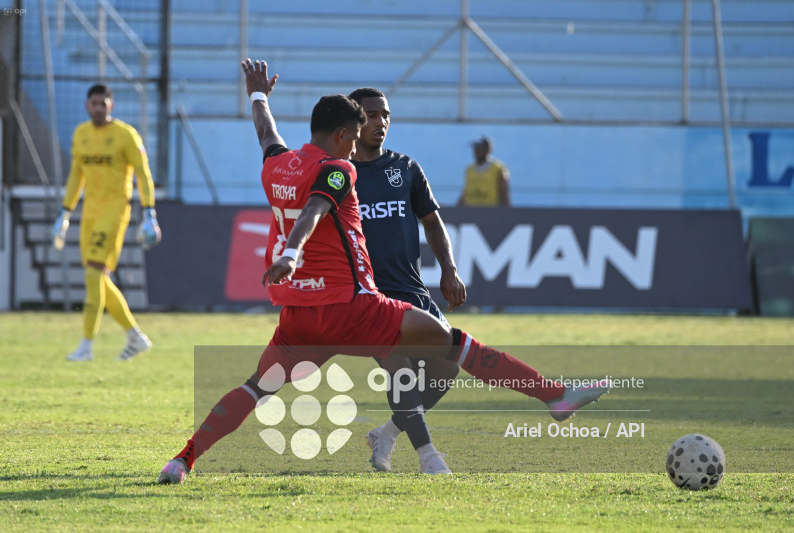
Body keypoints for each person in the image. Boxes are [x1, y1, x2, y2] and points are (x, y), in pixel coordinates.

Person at [156, 59, 609, 484]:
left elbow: (266, 133)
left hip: (300, 317)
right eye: (353, 136)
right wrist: (292, 252)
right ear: (339, 134)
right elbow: (316, 209)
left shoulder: (278, 164)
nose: (357, 146)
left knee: (256, 389)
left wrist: (258, 97)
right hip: (356, 309)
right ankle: (554, 396)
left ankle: (183, 460)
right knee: (455, 343)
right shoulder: (338, 170)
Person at [348, 87, 464, 474]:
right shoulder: (339, 174)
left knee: (447, 367)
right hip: (368, 297)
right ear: (353, 120)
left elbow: (432, 221)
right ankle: (430, 457)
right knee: (400, 369)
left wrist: (448, 269)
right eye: (370, 115)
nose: (380, 122)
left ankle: (387, 433)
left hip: (414, 292)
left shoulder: (406, 168)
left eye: (385, 114)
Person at [52, 83, 161, 362]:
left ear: (111, 106)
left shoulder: (125, 135)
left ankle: (86, 346)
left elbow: (143, 173)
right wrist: (65, 212)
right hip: (89, 213)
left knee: (93, 273)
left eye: (104, 103)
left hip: (114, 211)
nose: (99, 108)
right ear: (87, 106)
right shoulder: (81, 134)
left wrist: (149, 212)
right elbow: (77, 176)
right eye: (94, 103)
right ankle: (135, 336)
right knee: (99, 278)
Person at [458, 136, 510, 207]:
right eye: (475, 148)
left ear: (487, 150)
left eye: (479, 148)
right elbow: (465, 193)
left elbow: (504, 193)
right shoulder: (469, 169)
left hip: (489, 210)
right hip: (470, 210)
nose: (476, 151)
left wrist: (506, 211)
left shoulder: (498, 169)